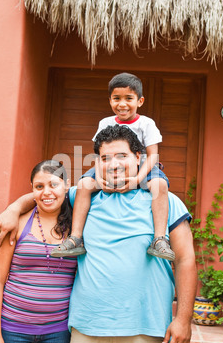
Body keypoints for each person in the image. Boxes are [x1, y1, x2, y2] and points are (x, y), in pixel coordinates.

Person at [0, 126, 197, 343]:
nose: (113, 164)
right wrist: (14, 207)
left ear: (139, 157)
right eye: (105, 158)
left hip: (145, 329)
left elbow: (185, 260)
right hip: (88, 329)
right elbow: (47, 192)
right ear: (97, 164)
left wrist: (183, 319)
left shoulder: (164, 201)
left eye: (121, 155)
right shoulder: (82, 198)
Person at [51, 72, 175, 261]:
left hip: (142, 166)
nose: (122, 104)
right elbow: (99, 155)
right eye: (116, 98)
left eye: (129, 98)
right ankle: (76, 237)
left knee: (160, 185)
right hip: (107, 164)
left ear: (140, 101)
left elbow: (152, 156)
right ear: (110, 101)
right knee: (84, 185)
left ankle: (159, 239)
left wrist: (137, 179)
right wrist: (99, 179)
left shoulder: (146, 123)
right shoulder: (105, 123)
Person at [0, 160, 77, 343]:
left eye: (53, 184)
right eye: (39, 186)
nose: (46, 192)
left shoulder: (78, 226)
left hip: (57, 334)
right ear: (32, 190)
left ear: (66, 186)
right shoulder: (16, 223)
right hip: (12, 330)